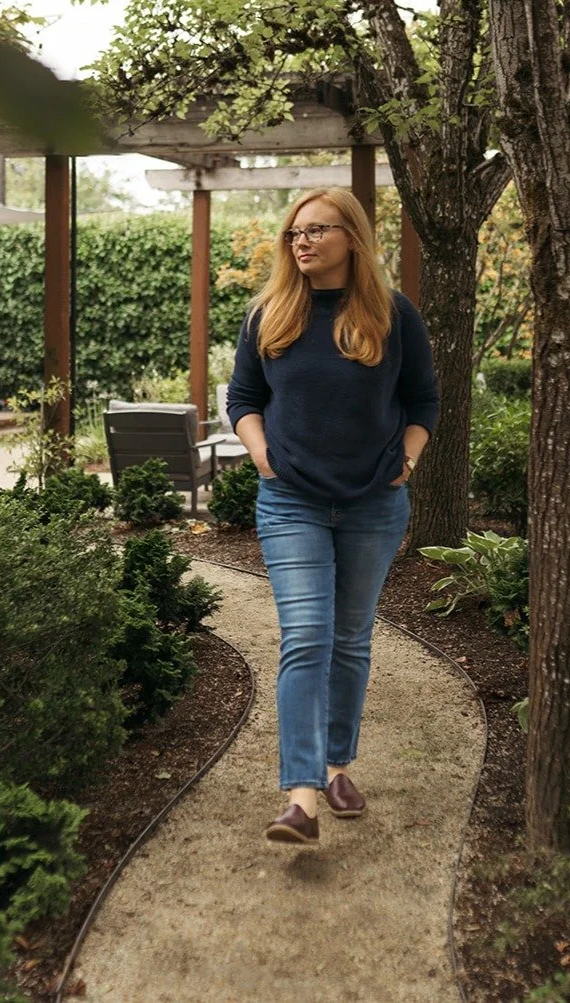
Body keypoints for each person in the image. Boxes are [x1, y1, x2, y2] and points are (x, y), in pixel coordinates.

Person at [226, 187, 440, 845]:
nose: (301, 241)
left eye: (316, 229)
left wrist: (406, 457)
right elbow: (243, 396)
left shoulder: (392, 314)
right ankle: (299, 796)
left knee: (349, 639)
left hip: (373, 502)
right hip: (290, 499)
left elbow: (422, 400)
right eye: (295, 232)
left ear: (351, 236)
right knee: (307, 636)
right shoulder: (269, 313)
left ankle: (336, 764)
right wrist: (260, 452)